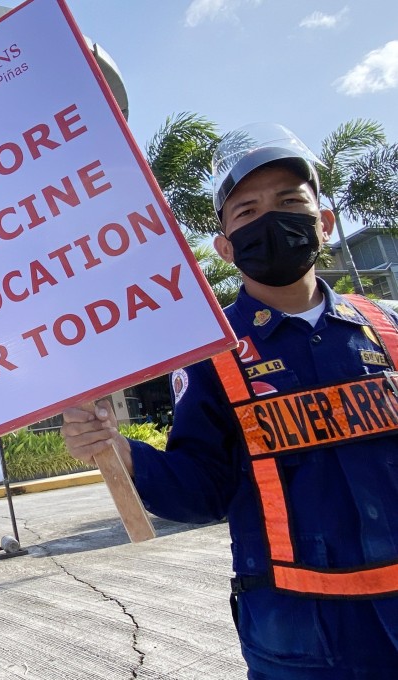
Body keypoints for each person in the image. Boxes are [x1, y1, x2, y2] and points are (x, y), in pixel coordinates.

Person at [60, 123, 398, 678]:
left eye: (290, 202)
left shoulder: (385, 329)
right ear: (224, 245)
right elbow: (204, 492)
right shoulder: (211, 354)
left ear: (324, 222)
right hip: (300, 635)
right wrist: (120, 452)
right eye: (247, 213)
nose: (270, 220)